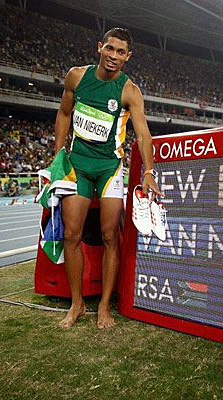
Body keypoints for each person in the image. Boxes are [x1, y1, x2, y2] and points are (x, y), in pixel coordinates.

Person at [54, 28, 162, 329]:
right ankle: (77, 304)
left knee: (110, 236)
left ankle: (103, 306)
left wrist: (149, 171)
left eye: (120, 52)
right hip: (77, 165)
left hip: (109, 168)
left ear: (128, 56)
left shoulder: (129, 91)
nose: (113, 56)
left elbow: (143, 135)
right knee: (71, 235)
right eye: (110, 49)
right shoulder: (76, 77)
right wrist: (58, 155)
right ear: (100, 47)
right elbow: (64, 114)